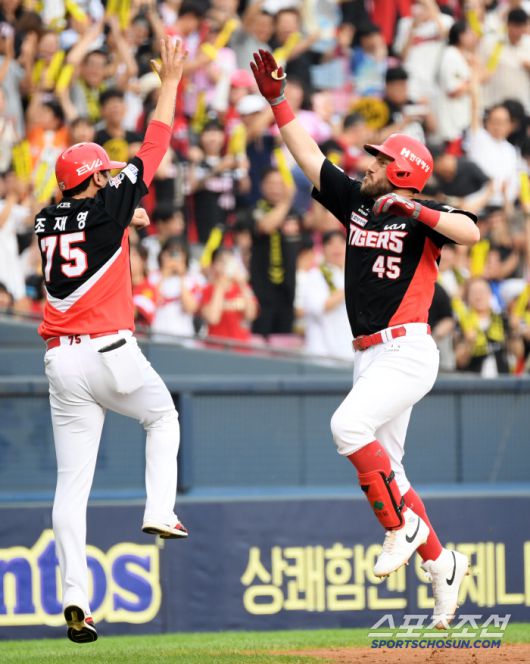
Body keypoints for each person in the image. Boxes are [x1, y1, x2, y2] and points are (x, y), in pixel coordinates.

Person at [250, 49, 480, 629]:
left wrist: (416, 210)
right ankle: (442, 563)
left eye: (381, 159)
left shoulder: (420, 214)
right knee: (390, 470)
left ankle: (401, 527)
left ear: (403, 170)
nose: (370, 163)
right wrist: (279, 102)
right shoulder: (358, 200)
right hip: (369, 354)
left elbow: (470, 231)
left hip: (407, 348)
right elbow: (309, 157)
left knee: (346, 428)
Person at [35, 38, 188, 644]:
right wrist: (169, 84)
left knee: (70, 489)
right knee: (163, 418)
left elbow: (99, 220)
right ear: (94, 178)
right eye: (102, 172)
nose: (108, 177)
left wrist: (127, 214)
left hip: (60, 362)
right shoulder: (105, 208)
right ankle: (159, 509)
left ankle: (75, 596)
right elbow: (153, 147)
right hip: (108, 350)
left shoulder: (46, 219)